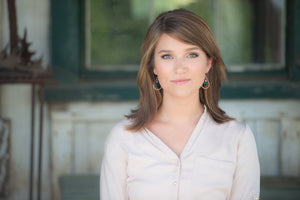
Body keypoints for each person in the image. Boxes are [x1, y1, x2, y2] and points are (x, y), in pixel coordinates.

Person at [100, 8, 260, 200]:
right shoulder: (123, 138)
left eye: (192, 54)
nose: (180, 68)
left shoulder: (238, 139)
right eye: (167, 56)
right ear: (154, 67)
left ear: (209, 63)